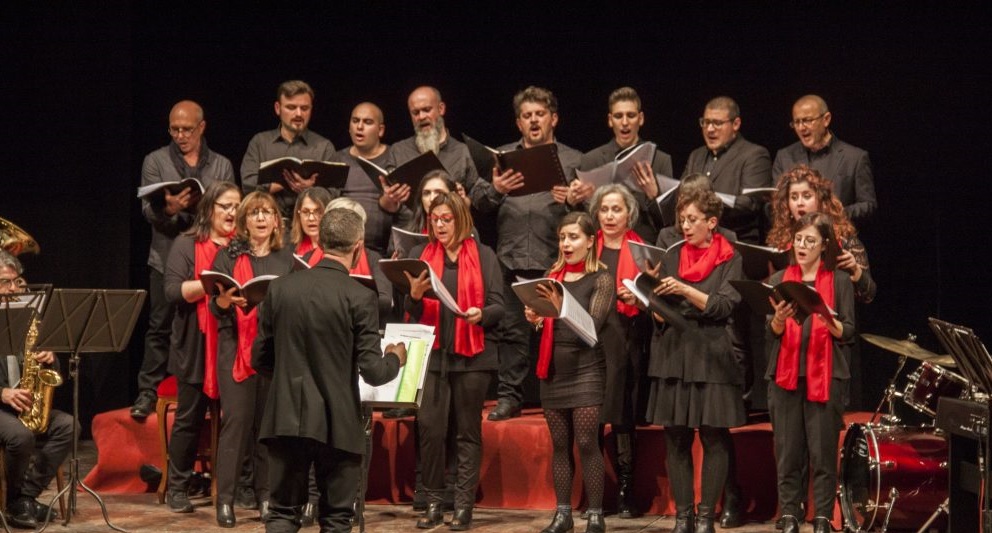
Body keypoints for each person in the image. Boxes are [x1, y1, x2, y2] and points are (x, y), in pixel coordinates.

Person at [252, 208, 407, 533]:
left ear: (320, 242)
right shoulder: (361, 297)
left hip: (285, 417)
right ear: (358, 246)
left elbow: (261, 358)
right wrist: (396, 358)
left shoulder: (280, 289)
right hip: (337, 423)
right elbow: (374, 372)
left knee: (281, 514)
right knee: (337, 518)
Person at [472, 86, 583, 421]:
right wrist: (497, 189)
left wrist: (573, 200)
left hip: (558, 259)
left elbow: (590, 212)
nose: (534, 121)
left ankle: (565, 399)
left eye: (540, 114)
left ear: (554, 118)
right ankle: (510, 397)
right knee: (512, 333)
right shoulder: (501, 158)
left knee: (564, 334)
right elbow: (477, 203)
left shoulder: (574, 159)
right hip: (511, 258)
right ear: (518, 123)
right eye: (527, 116)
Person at [645, 186, 745, 533]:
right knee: (676, 436)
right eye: (681, 219)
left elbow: (722, 306)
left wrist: (685, 291)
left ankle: (705, 518)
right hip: (674, 354)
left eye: (692, 220)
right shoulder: (671, 254)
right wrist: (648, 299)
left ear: (712, 222)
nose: (685, 226)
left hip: (711, 355)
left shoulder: (730, 257)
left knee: (714, 436)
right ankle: (683, 516)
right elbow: (662, 311)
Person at [402, 193, 504, 531]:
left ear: (461, 220)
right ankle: (433, 502)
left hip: (473, 357)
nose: (440, 225)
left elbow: (498, 306)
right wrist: (414, 296)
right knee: (430, 430)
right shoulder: (422, 256)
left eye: (447, 218)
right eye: (435, 219)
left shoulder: (484, 256)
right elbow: (411, 312)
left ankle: (462, 506)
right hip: (433, 356)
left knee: (466, 433)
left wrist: (482, 314)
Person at [131, 100, 235, 420]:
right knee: (159, 326)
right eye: (174, 129)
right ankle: (148, 391)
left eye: (186, 129)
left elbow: (229, 203)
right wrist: (171, 208)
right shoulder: (156, 160)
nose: (180, 135)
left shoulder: (221, 164)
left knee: (212, 324)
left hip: (212, 257)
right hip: (166, 256)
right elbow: (148, 211)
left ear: (201, 127)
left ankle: (213, 385)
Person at [523, 211, 615, 533]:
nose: (566, 243)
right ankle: (563, 515)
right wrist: (536, 316)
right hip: (554, 371)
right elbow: (549, 323)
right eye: (563, 237)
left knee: (588, 442)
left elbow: (592, 325)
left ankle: (595, 515)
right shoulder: (553, 275)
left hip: (586, 370)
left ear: (590, 241)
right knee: (560, 444)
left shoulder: (601, 278)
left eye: (574, 237)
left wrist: (559, 306)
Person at [208, 191, 295, 527]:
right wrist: (225, 303)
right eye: (254, 212)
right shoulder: (226, 258)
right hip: (236, 351)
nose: (260, 218)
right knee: (237, 426)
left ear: (276, 221)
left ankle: (265, 497)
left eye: (267, 212)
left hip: (272, 351)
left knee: (266, 429)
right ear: (244, 220)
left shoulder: (286, 259)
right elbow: (215, 308)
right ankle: (225, 501)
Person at [765, 212, 855, 533]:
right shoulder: (779, 280)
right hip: (785, 377)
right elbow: (771, 331)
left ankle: (822, 518)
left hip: (826, 376)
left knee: (822, 452)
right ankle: (789, 514)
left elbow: (850, 331)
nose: (802, 246)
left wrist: (829, 321)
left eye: (810, 241)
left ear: (824, 245)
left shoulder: (840, 281)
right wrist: (778, 319)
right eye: (799, 239)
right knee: (788, 451)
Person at [162, 181, 241, 513]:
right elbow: (171, 292)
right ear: (209, 209)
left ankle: (240, 486)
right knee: (189, 418)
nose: (232, 213)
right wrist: (211, 285)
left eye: (237, 207)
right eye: (225, 206)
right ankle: (177, 487)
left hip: (235, 340)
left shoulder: (243, 246)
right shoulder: (187, 244)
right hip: (196, 341)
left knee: (240, 417)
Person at [0, 250, 77, 530]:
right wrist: (3, 393)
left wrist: (49, 355)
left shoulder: (28, 316)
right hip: (2, 404)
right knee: (20, 436)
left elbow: (50, 367)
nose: (13, 290)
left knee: (69, 425)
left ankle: (24, 497)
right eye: (4, 283)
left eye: (16, 282)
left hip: (24, 401)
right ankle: (15, 502)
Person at [588, 184, 648, 518]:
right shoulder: (587, 249)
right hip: (591, 342)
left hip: (625, 341)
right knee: (590, 419)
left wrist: (639, 301)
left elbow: (656, 302)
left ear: (629, 214)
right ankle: (596, 494)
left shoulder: (641, 250)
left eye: (617, 209)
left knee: (622, 418)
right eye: (604, 210)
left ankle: (626, 491)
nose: (610, 216)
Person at [767, 165, 876, 304]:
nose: (799, 203)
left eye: (807, 196)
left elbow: (868, 296)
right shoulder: (780, 243)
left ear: (821, 201)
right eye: (794, 197)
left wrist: (855, 271)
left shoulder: (843, 240)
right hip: (792, 320)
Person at [580, 87, 674, 242]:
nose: (625, 122)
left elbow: (670, 221)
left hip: (644, 249)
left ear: (641, 118)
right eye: (618, 116)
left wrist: (653, 196)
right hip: (602, 249)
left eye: (631, 115)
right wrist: (573, 199)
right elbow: (585, 217)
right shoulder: (591, 160)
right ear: (610, 120)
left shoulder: (661, 160)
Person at [772, 95, 877, 225]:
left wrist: (832, 215)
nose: (801, 127)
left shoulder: (855, 158)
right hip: (795, 240)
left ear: (826, 119)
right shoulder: (784, 156)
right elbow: (774, 204)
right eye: (796, 122)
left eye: (807, 120)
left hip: (838, 239)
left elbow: (868, 205)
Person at [682, 96, 772, 244]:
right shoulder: (696, 156)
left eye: (717, 123)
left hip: (735, 242)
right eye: (706, 122)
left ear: (736, 124)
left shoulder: (754, 154)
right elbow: (684, 195)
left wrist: (709, 199)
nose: (710, 129)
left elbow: (751, 203)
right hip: (696, 241)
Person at [241, 80, 337, 220]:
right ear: (278, 108)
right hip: (269, 224)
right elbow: (248, 184)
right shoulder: (260, 142)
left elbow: (334, 192)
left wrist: (311, 189)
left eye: (304, 108)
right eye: (291, 107)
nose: (298, 114)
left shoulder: (324, 146)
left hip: (310, 225)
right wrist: (281, 183)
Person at [389, 87, 481, 203]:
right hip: (408, 221)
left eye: (427, 110)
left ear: (441, 108)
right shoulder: (398, 150)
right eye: (415, 113)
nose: (421, 117)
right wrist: (389, 199)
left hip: (447, 219)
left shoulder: (462, 151)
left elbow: (478, 199)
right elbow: (386, 203)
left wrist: (464, 201)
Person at [333, 102, 401, 253]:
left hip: (381, 249)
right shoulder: (337, 158)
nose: (360, 127)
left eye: (367, 122)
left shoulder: (394, 157)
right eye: (355, 121)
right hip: (342, 246)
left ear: (380, 130)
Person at [291, 187, 336, 266]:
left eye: (318, 212)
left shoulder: (339, 250)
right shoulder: (289, 248)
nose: (311, 218)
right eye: (305, 212)